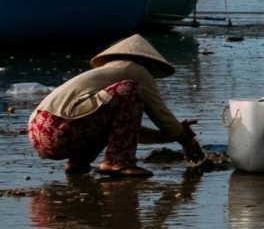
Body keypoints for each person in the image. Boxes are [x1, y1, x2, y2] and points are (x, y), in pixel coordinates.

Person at [29, 34, 201, 178]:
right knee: (130, 89)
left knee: (105, 111)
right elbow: (162, 116)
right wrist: (183, 138)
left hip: (40, 132)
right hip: (60, 130)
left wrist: (171, 135)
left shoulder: (105, 74)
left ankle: (78, 163)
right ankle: (118, 163)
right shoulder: (135, 70)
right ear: (146, 61)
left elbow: (123, 130)